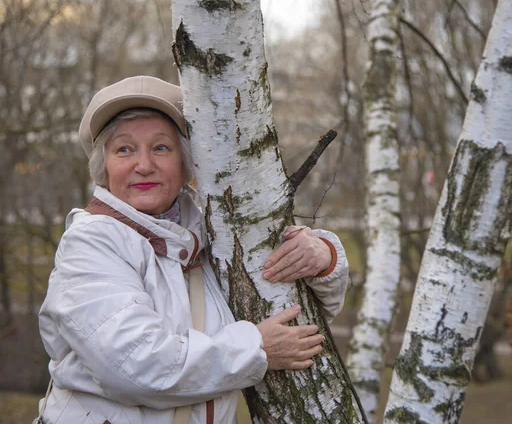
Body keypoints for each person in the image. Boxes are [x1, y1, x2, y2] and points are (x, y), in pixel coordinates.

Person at [37, 75, 349, 424]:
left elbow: (302, 315)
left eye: (160, 148)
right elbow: (133, 365)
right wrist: (256, 349)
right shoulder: (90, 243)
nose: (143, 165)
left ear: (186, 164)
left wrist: (322, 257)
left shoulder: (210, 236)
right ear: (103, 166)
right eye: (124, 149)